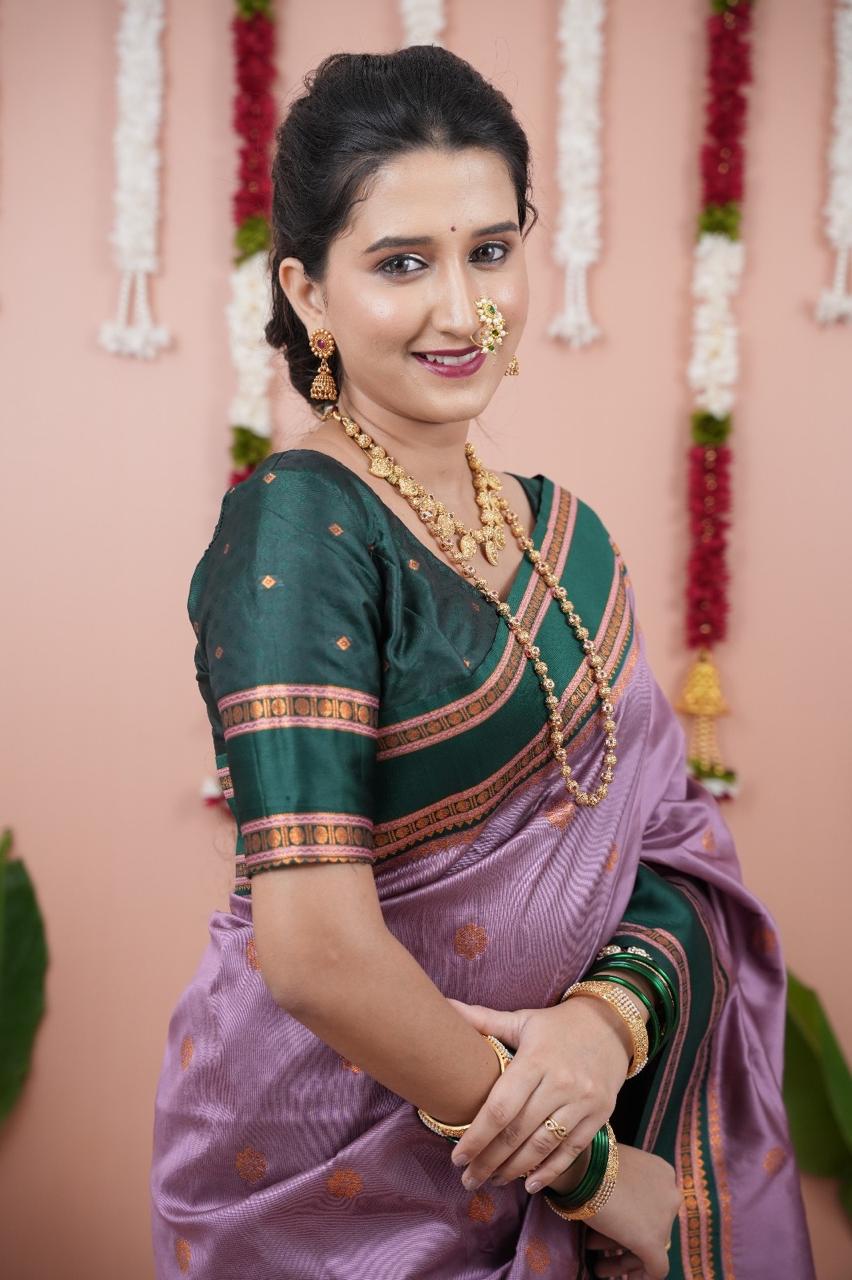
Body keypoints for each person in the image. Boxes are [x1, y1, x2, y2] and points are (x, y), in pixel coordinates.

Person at [150, 46, 815, 1280]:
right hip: (332, 1169)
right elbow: (313, 949)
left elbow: (668, 830)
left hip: (568, 1104)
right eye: (402, 262)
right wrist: (593, 1168)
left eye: (491, 250)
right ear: (307, 291)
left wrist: (603, 1026)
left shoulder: (566, 534)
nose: (462, 311)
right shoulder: (299, 525)